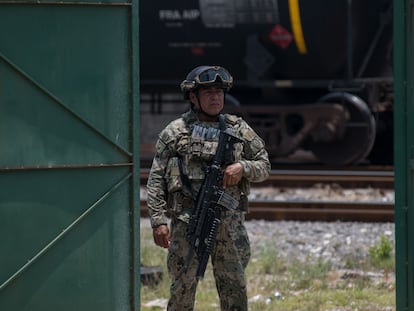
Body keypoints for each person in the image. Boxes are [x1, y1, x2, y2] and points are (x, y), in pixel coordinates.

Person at [146, 65, 271, 311]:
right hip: (188, 223)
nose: (216, 97)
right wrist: (158, 221)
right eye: (208, 93)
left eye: (219, 92)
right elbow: (156, 178)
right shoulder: (175, 132)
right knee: (183, 286)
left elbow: (264, 165)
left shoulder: (238, 129)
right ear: (193, 97)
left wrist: (242, 167)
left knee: (234, 288)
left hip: (229, 224)